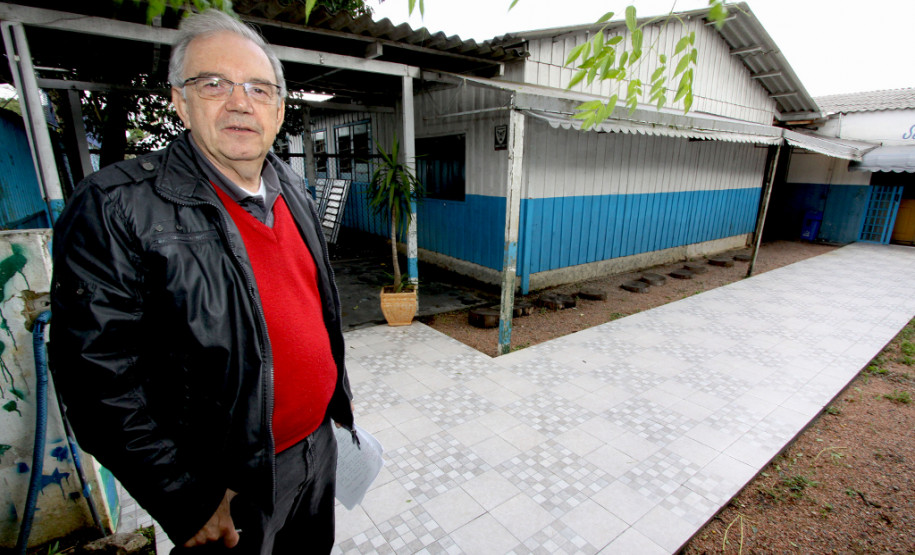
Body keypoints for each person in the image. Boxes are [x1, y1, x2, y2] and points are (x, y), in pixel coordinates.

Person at [49, 10, 354, 554]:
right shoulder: (117, 206)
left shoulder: (291, 186)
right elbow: (96, 381)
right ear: (179, 101)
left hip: (317, 449)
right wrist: (183, 497)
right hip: (227, 482)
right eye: (214, 83)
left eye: (259, 88)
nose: (240, 101)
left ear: (280, 110)